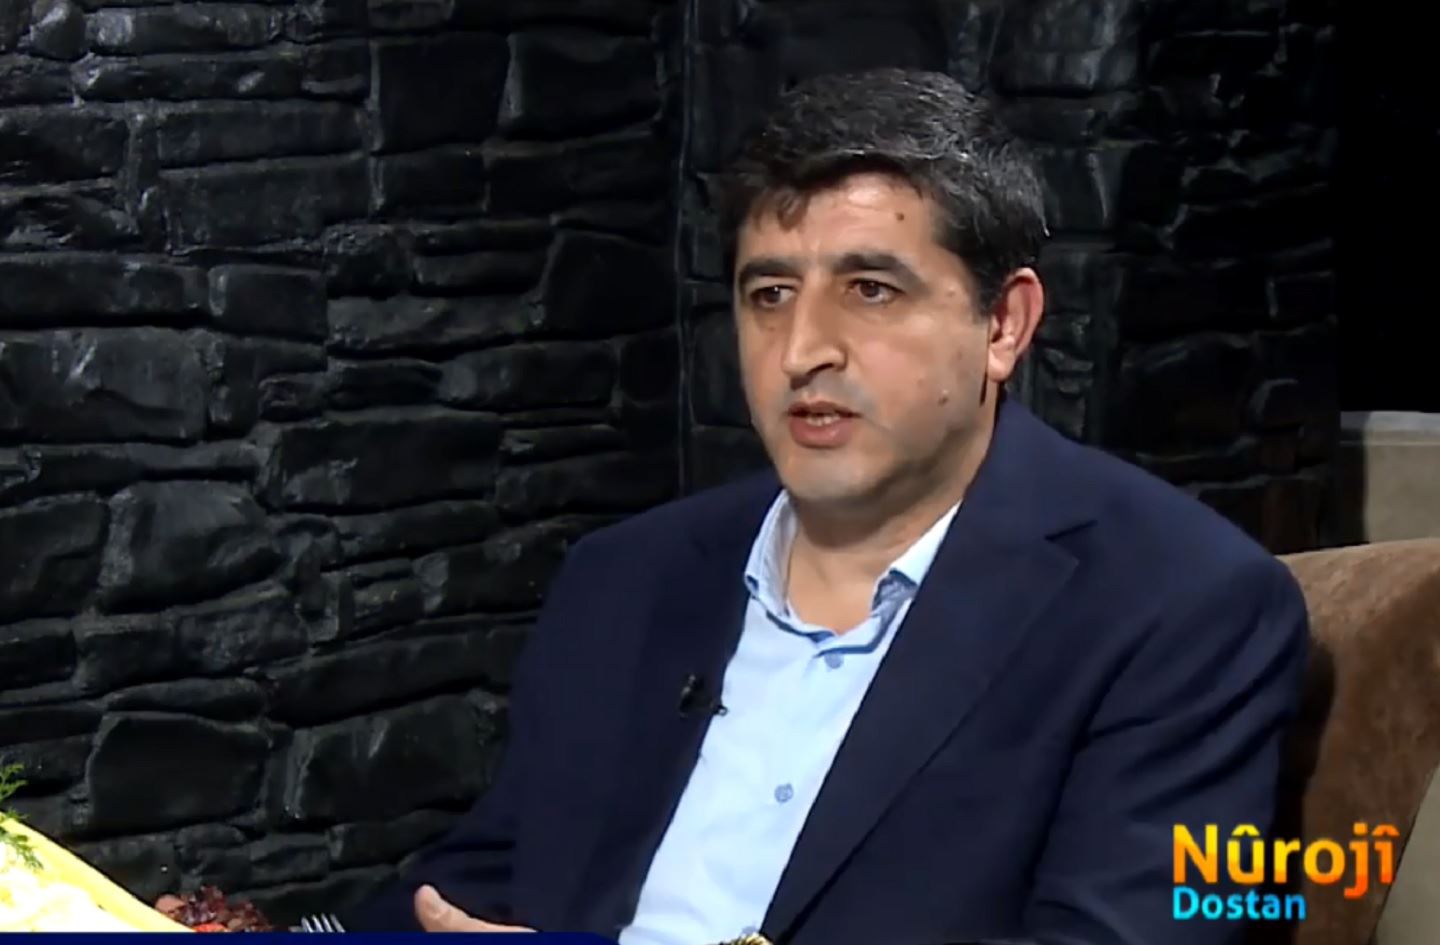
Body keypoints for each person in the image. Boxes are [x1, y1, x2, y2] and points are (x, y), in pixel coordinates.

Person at [347, 68, 1309, 945]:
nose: (805, 347)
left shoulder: (1179, 607)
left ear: (1004, 324)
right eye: (770, 293)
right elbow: (478, 887)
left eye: (871, 290)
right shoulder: (626, 576)